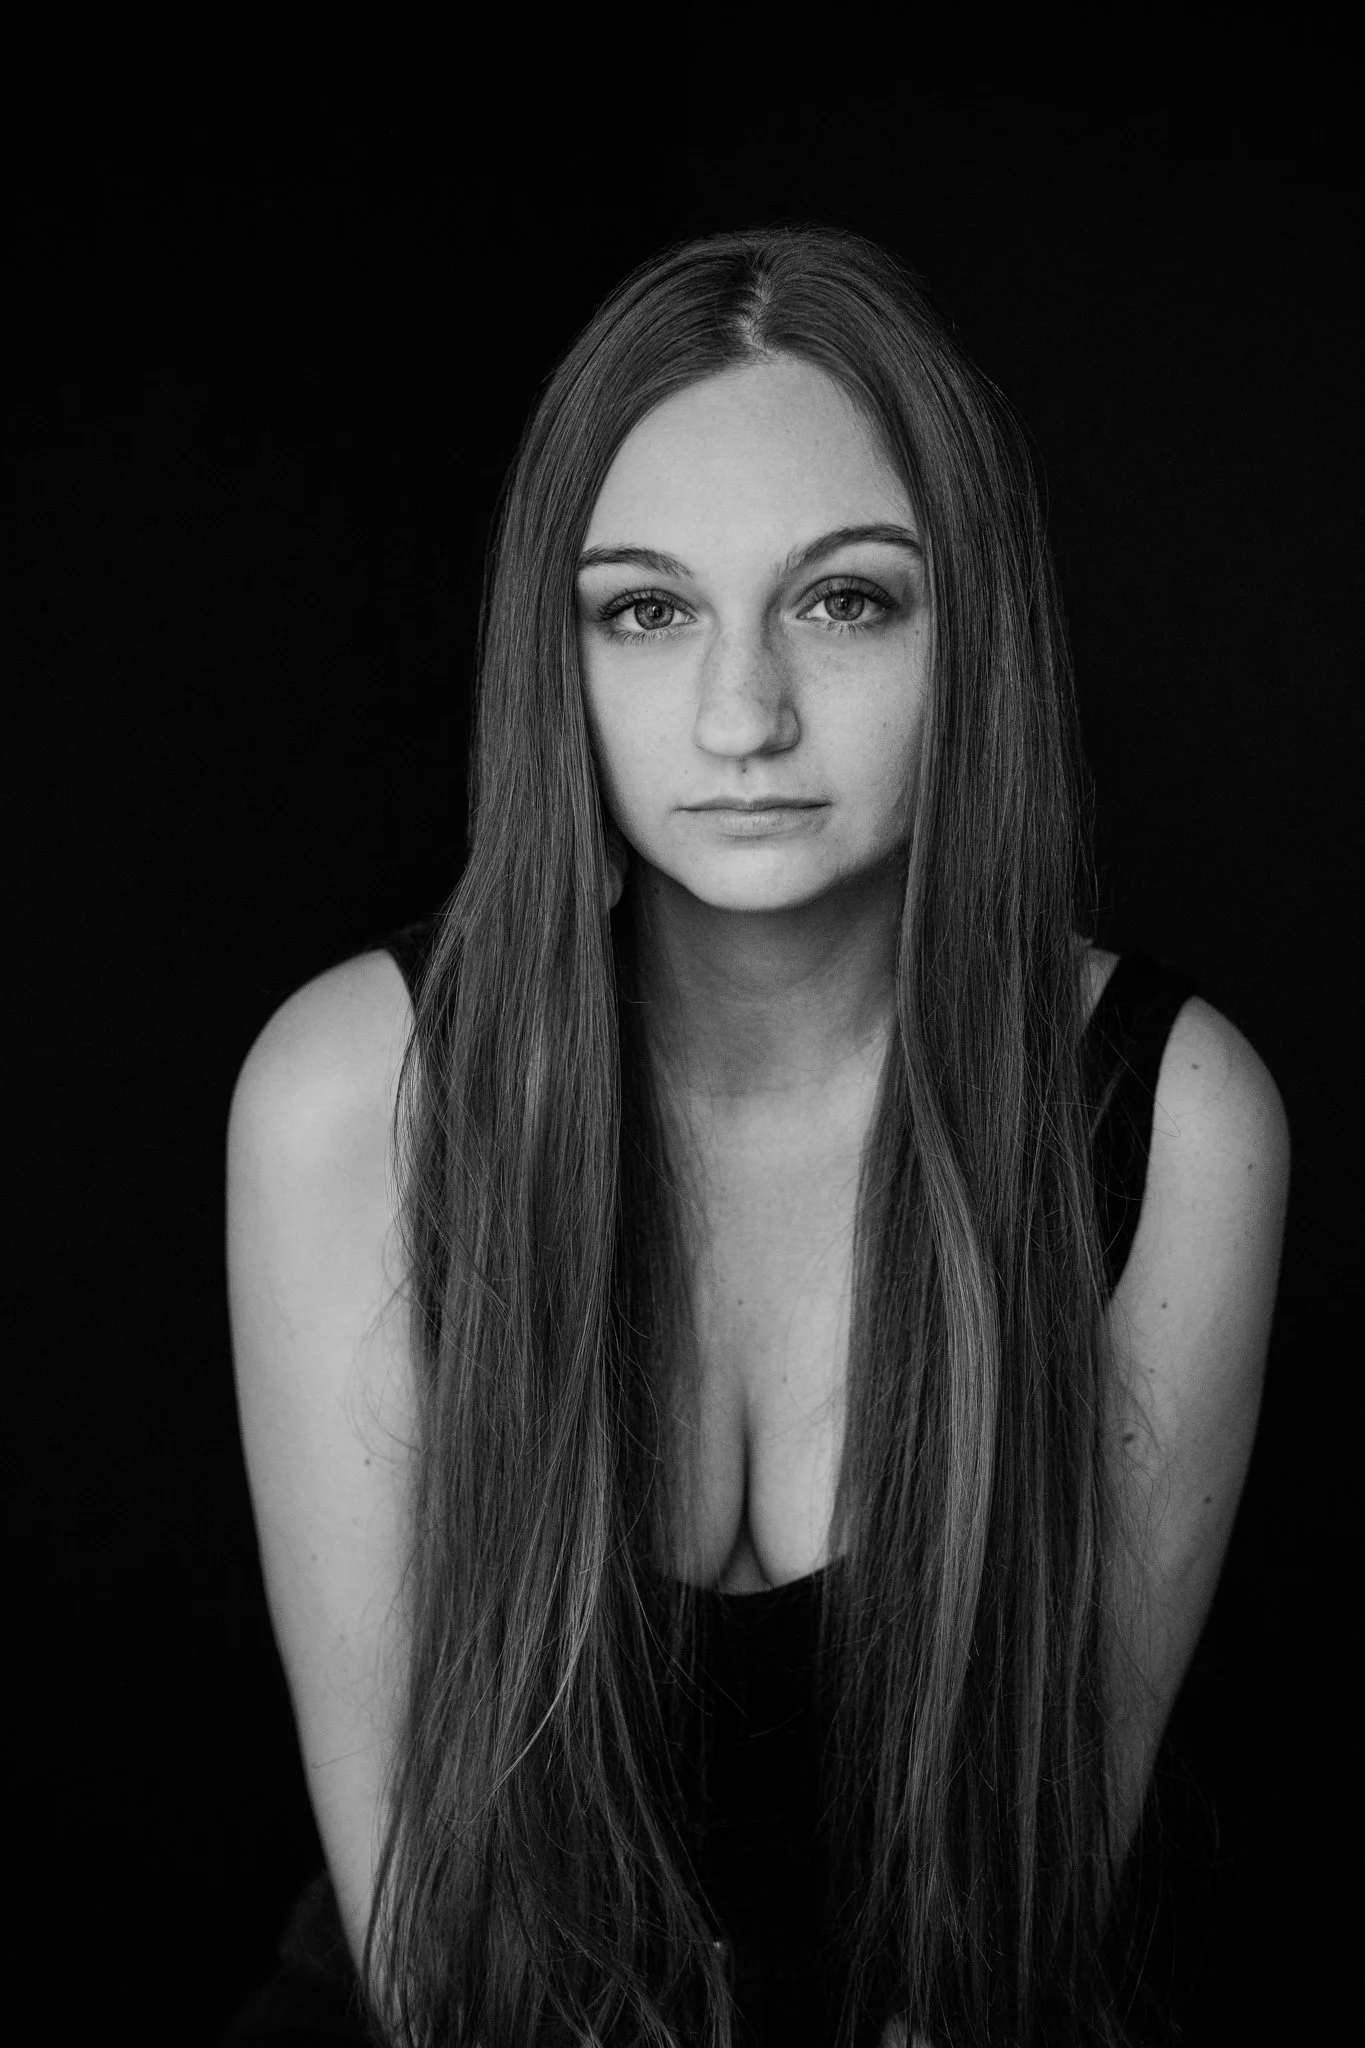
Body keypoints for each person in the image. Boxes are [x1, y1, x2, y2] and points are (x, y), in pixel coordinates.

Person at [221, 226, 1290, 2048]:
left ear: (978, 630)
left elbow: (1037, 1889)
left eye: (844, 600)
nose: (742, 716)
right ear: (554, 654)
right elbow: (420, 1928)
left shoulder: (1175, 1121)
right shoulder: (354, 1096)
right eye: (646, 609)